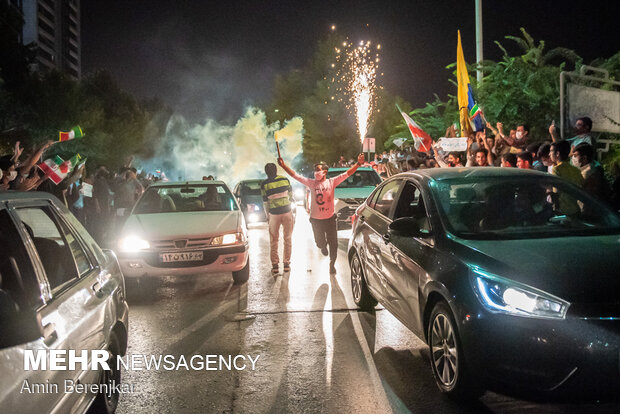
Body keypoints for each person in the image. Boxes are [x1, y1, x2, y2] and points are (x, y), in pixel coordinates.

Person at [278, 153, 365, 274]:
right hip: (316, 220)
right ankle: (323, 246)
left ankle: (332, 264)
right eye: (315, 170)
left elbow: (348, 173)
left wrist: (358, 164)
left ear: (325, 171)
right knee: (319, 242)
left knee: (333, 244)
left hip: (330, 219)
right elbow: (295, 175)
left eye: (318, 169)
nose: (315, 172)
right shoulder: (311, 183)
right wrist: (283, 166)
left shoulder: (332, 182)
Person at [261, 163, 294, 275]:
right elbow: (291, 196)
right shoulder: (285, 179)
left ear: (266, 172)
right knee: (288, 238)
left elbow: (265, 203)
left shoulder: (264, 184)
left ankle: (275, 265)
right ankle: (286, 264)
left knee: (274, 240)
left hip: (274, 214)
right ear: (276, 170)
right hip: (287, 212)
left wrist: (267, 216)